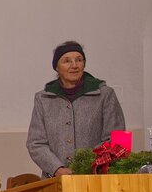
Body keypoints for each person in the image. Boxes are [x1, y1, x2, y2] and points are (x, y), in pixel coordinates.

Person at [26, 41, 126, 177]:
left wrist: (86, 166)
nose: (74, 65)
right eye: (67, 61)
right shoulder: (43, 99)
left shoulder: (105, 94)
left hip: (96, 178)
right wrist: (57, 169)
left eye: (79, 60)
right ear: (56, 67)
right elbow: (35, 143)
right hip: (56, 180)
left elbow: (118, 139)